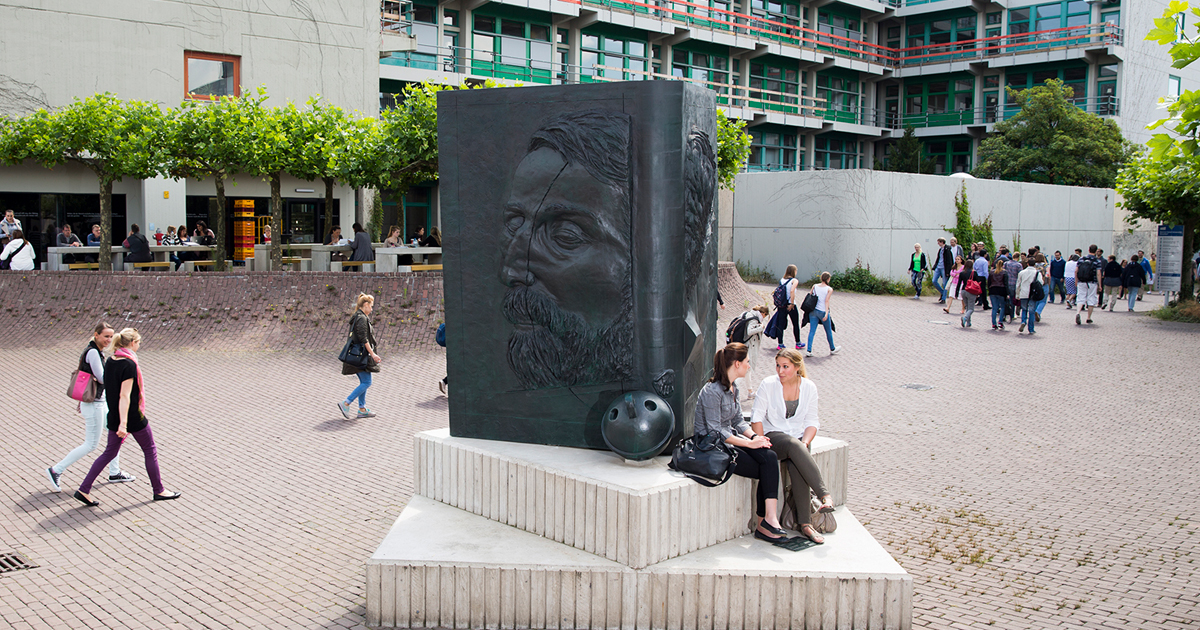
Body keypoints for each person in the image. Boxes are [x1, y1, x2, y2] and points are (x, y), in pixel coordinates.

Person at [72, 328, 181, 507]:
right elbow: (125, 396)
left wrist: (118, 421)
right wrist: (124, 424)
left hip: (113, 415)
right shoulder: (129, 365)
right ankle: (159, 490)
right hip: (131, 417)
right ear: (132, 343)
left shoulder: (111, 360)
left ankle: (84, 489)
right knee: (150, 449)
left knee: (109, 452)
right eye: (138, 343)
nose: (139, 346)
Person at [695, 343, 790, 544]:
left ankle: (769, 520)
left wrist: (755, 438)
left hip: (729, 441)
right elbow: (715, 431)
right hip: (712, 447)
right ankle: (765, 524)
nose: (749, 366)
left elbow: (738, 421)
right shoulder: (712, 391)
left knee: (769, 455)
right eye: (747, 362)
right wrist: (748, 444)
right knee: (766, 466)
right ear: (737, 364)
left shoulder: (734, 388)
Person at [750, 349, 834, 545]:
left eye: (785, 367)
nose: (780, 371)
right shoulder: (768, 385)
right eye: (778, 366)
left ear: (797, 367)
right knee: (792, 445)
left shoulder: (809, 387)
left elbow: (812, 421)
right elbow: (756, 417)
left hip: (797, 439)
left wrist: (804, 444)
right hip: (773, 437)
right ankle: (825, 496)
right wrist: (761, 441)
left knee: (798, 456)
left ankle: (805, 524)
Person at [44, 323, 135, 492]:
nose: (108, 339)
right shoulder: (93, 352)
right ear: (96, 335)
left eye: (110, 336)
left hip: (99, 403)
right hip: (94, 405)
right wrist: (119, 374)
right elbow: (102, 378)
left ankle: (114, 472)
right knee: (91, 444)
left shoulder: (96, 351)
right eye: (105, 336)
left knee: (115, 434)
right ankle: (56, 469)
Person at [338, 293, 382, 419]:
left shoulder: (358, 316)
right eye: (371, 306)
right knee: (367, 382)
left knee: (364, 381)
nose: (372, 309)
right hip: (360, 357)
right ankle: (346, 403)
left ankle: (362, 409)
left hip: (358, 356)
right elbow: (364, 339)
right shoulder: (362, 318)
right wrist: (373, 354)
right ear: (366, 305)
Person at [731, 305, 769, 399]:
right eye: (765, 316)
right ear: (763, 313)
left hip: (742, 344)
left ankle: (750, 391)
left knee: (748, 370)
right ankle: (731, 389)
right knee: (745, 369)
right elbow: (749, 331)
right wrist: (761, 327)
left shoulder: (747, 314)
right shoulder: (754, 319)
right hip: (748, 347)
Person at [805, 272, 838, 357]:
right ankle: (832, 348)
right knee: (828, 330)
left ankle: (809, 350)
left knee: (812, 331)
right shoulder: (829, 289)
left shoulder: (815, 286)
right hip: (822, 311)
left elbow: (810, 295)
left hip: (813, 311)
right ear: (828, 279)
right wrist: (827, 313)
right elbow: (826, 301)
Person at [775, 265, 803, 351]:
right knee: (795, 324)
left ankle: (780, 344)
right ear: (794, 271)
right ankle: (798, 343)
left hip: (782, 305)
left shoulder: (781, 280)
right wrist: (791, 303)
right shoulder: (794, 281)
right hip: (791, 304)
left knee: (780, 324)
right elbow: (792, 291)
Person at [1076, 244, 1103, 325]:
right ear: (1096, 251)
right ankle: (1088, 317)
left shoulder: (1081, 259)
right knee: (1091, 298)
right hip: (1092, 282)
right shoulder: (1097, 261)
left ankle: (1078, 312)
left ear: (1088, 250)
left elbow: (1076, 271)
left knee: (1081, 297)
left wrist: (1076, 281)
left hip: (1081, 281)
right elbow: (1098, 273)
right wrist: (1100, 285)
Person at [1015, 259, 1042, 334]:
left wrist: (1017, 294)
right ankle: (1031, 328)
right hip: (1032, 294)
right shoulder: (1037, 273)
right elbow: (1041, 283)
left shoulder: (1022, 272)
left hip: (1023, 293)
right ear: (1034, 264)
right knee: (1031, 311)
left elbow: (1018, 284)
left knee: (1024, 309)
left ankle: (1023, 321)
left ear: (1027, 264)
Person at [956, 261, 979, 328]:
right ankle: (965, 318)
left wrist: (957, 292)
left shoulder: (962, 273)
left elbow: (959, 283)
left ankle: (968, 323)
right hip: (971, 291)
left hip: (963, 290)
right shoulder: (974, 273)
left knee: (967, 307)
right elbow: (977, 282)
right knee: (971, 309)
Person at [988, 259, 1008, 330]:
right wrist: (1007, 293)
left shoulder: (992, 272)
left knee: (994, 308)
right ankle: (1000, 321)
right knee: (1002, 307)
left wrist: (989, 290)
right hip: (1001, 290)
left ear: (996, 265)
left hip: (993, 290)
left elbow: (989, 282)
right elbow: (1006, 284)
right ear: (1003, 266)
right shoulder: (1004, 272)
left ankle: (993, 323)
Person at [931, 238, 952, 303]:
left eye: (939, 242)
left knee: (945, 283)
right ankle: (943, 292)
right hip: (938, 267)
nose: (938, 244)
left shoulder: (947, 250)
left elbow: (949, 260)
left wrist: (948, 271)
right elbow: (938, 258)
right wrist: (935, 266)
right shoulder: (940, 250)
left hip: (944, 268)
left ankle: (943, 298)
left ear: (942, 242)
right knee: (934, 281)